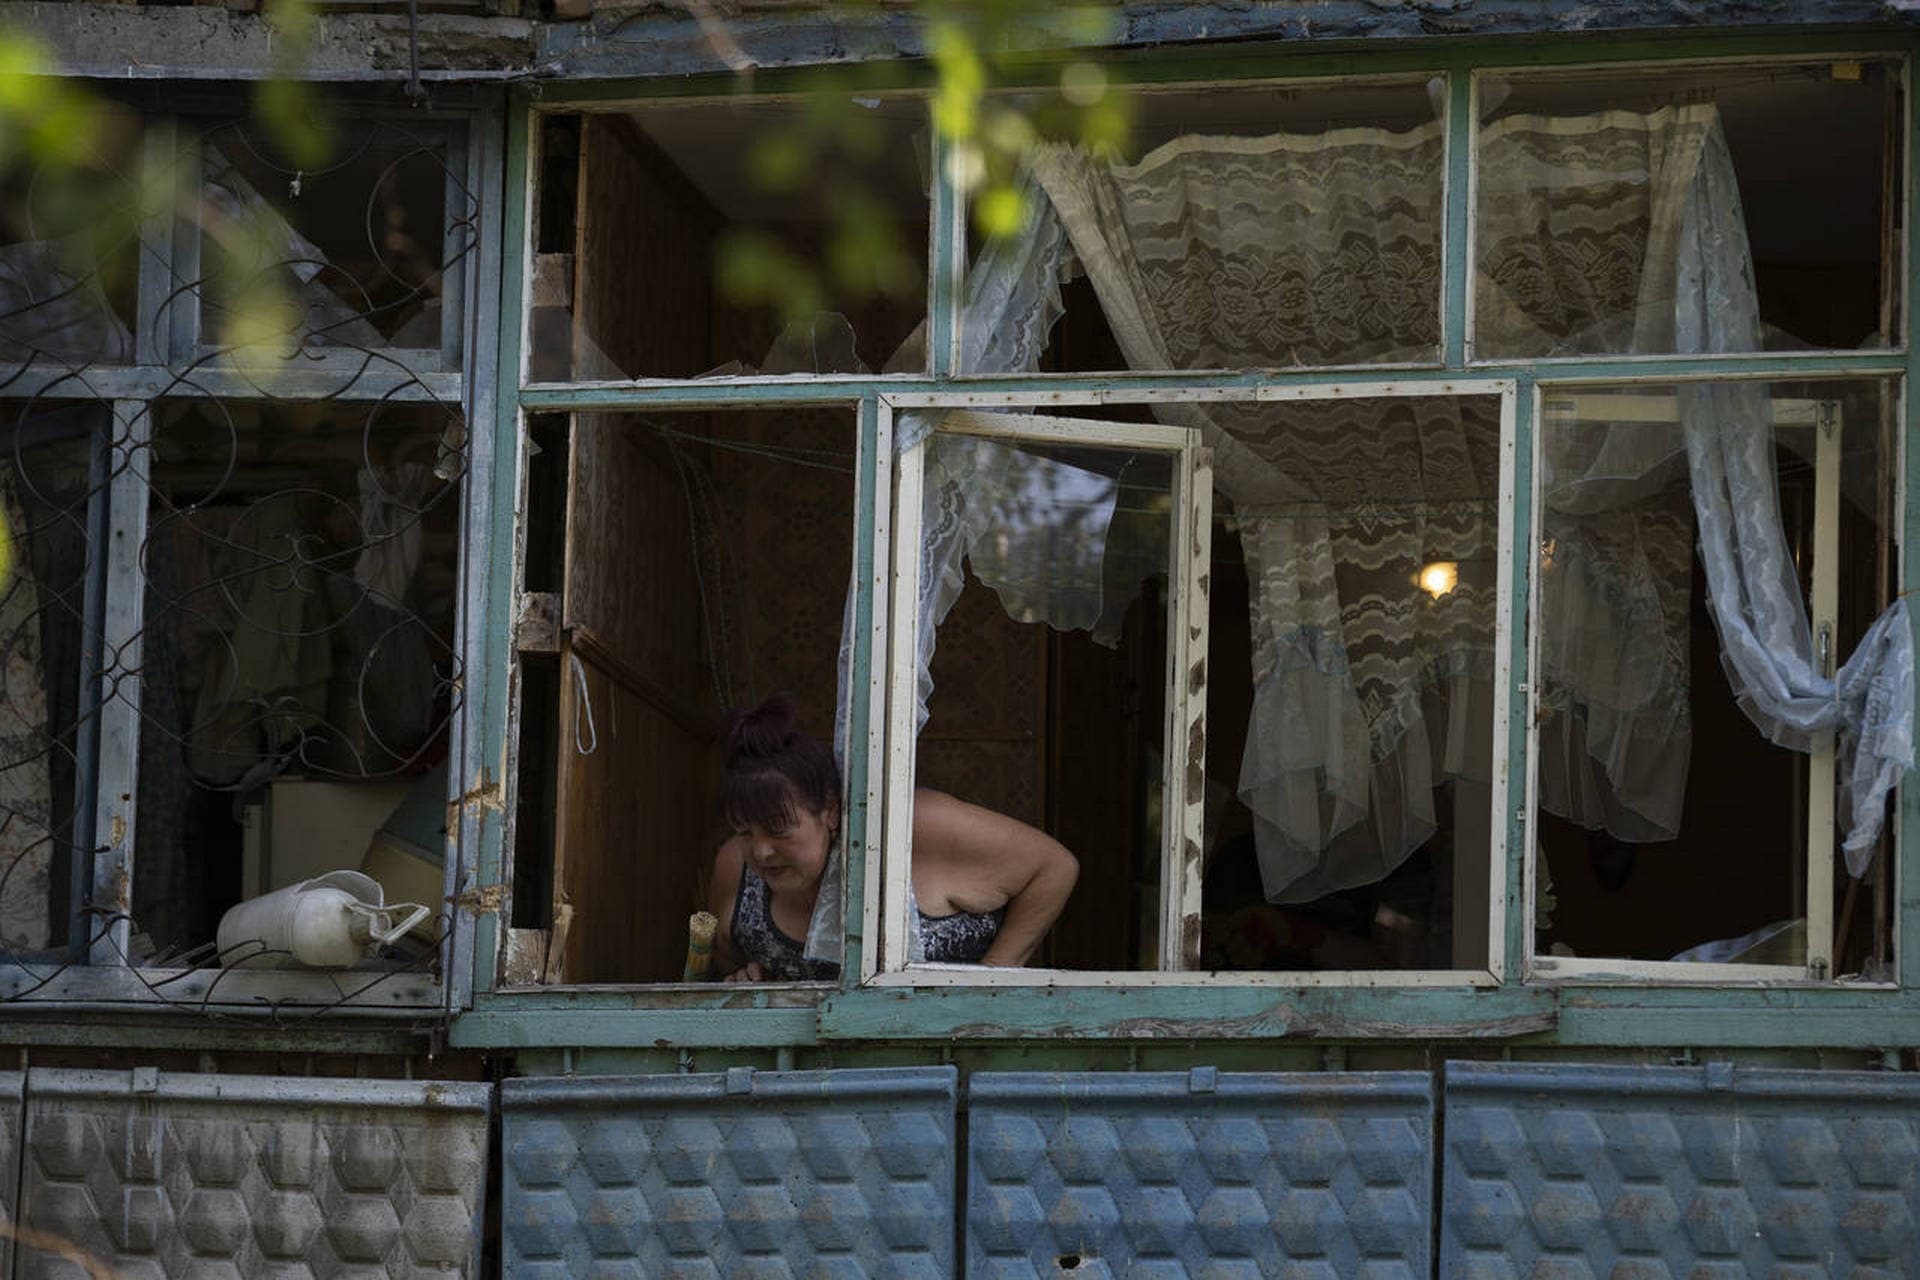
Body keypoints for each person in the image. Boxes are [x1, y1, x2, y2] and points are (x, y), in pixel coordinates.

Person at [709, 693, 1078, 981]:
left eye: (778, 830)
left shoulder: (914, 828)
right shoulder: (734, 867)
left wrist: (993, 979)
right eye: (744, 831)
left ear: (831, 812)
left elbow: (1055, 867)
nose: (760, 850)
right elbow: (729, 959)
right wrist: (750, 976)